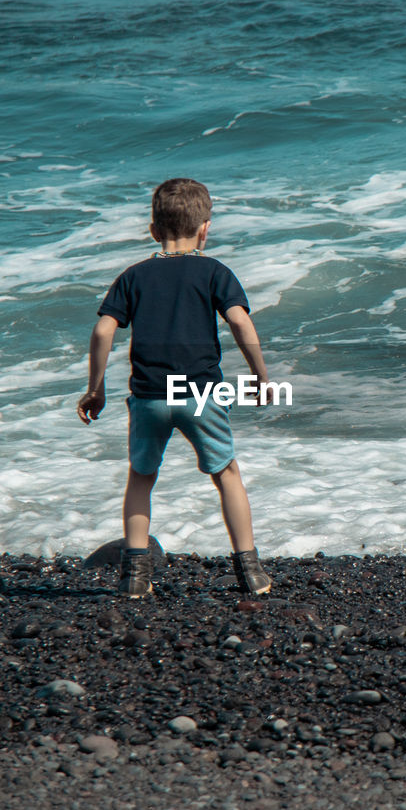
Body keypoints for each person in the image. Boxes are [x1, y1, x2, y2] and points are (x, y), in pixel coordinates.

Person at [77, 178, 273, 598]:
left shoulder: (134, 277)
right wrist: (260, 375)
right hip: (201, 393)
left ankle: (135, 577)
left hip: (149, 395)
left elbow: (102, 330)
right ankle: (251, 572)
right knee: (227, 474)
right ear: (205, 229)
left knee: (141, 479)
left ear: (153, 230)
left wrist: (96, 388)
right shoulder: (215, 271)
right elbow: (239, 321)